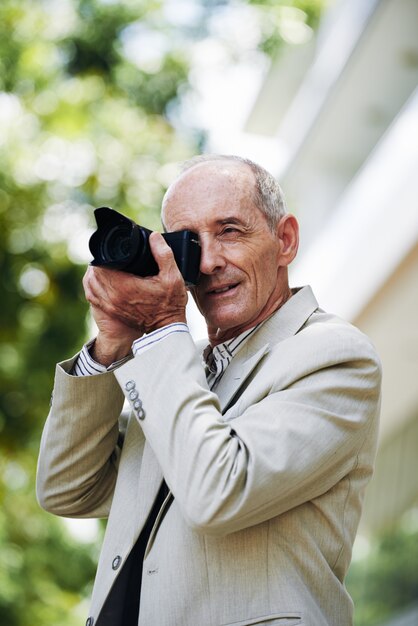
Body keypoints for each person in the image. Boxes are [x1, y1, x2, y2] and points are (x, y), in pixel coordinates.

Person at [36, 154, 381, 626]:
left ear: (285, 240)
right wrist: (111, 347)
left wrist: (161, 328)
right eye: (190, 242)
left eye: (231, 231)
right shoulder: (177, 365)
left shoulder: (334, 354)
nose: (211, 261)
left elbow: (216, 493)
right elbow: (67, 489)